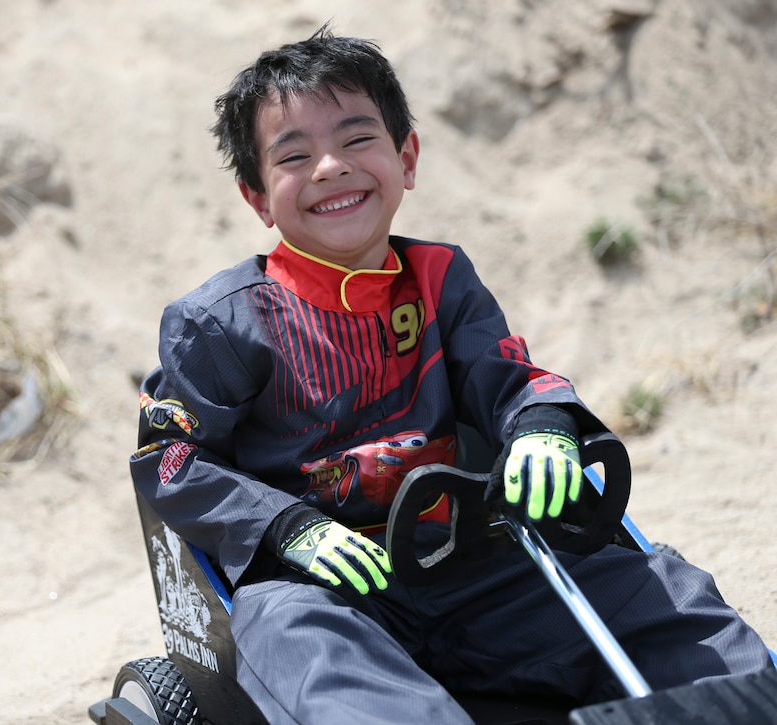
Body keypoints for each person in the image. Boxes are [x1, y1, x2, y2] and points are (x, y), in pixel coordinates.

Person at [130, 24, 772, 724]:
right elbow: (171, 462)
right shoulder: (220, 321)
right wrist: (286, 527)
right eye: (294, 155)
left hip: (467, 554)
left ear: (406, 157)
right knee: (307, 650)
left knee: (656, 589)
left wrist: (543, 426)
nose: (330, 167)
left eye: (356, 139)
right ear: (257, 197)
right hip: (314, 585)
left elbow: (508, 375)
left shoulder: (441, 279)